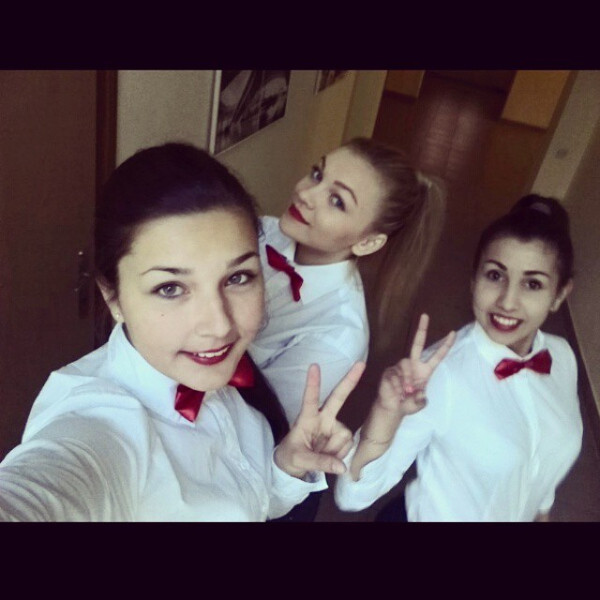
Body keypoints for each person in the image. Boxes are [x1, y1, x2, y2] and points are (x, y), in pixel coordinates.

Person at [0, 142, 364, 522]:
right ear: (113, 297)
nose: (219, 325)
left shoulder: (216, 379)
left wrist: (285, 468)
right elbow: (47, 487)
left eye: (238, 277)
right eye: (170, 288)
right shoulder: (98, 423)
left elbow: (253, 501)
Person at [334, 194, 583, 522]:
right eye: (495, 275)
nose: (508, 301)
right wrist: (385, 415)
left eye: (532, 284)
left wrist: (540, 514)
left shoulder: (562, 357)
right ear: (474, 279)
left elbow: (544, 465)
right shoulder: (440, 374)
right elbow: (352, 497)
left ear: (559, 295)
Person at [248, 137, 446, 521]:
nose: (306, 193)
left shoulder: (338, 336)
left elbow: (257, 430)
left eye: (336, 200)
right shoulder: (263, 230)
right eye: (317, 174)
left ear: (368, 242)